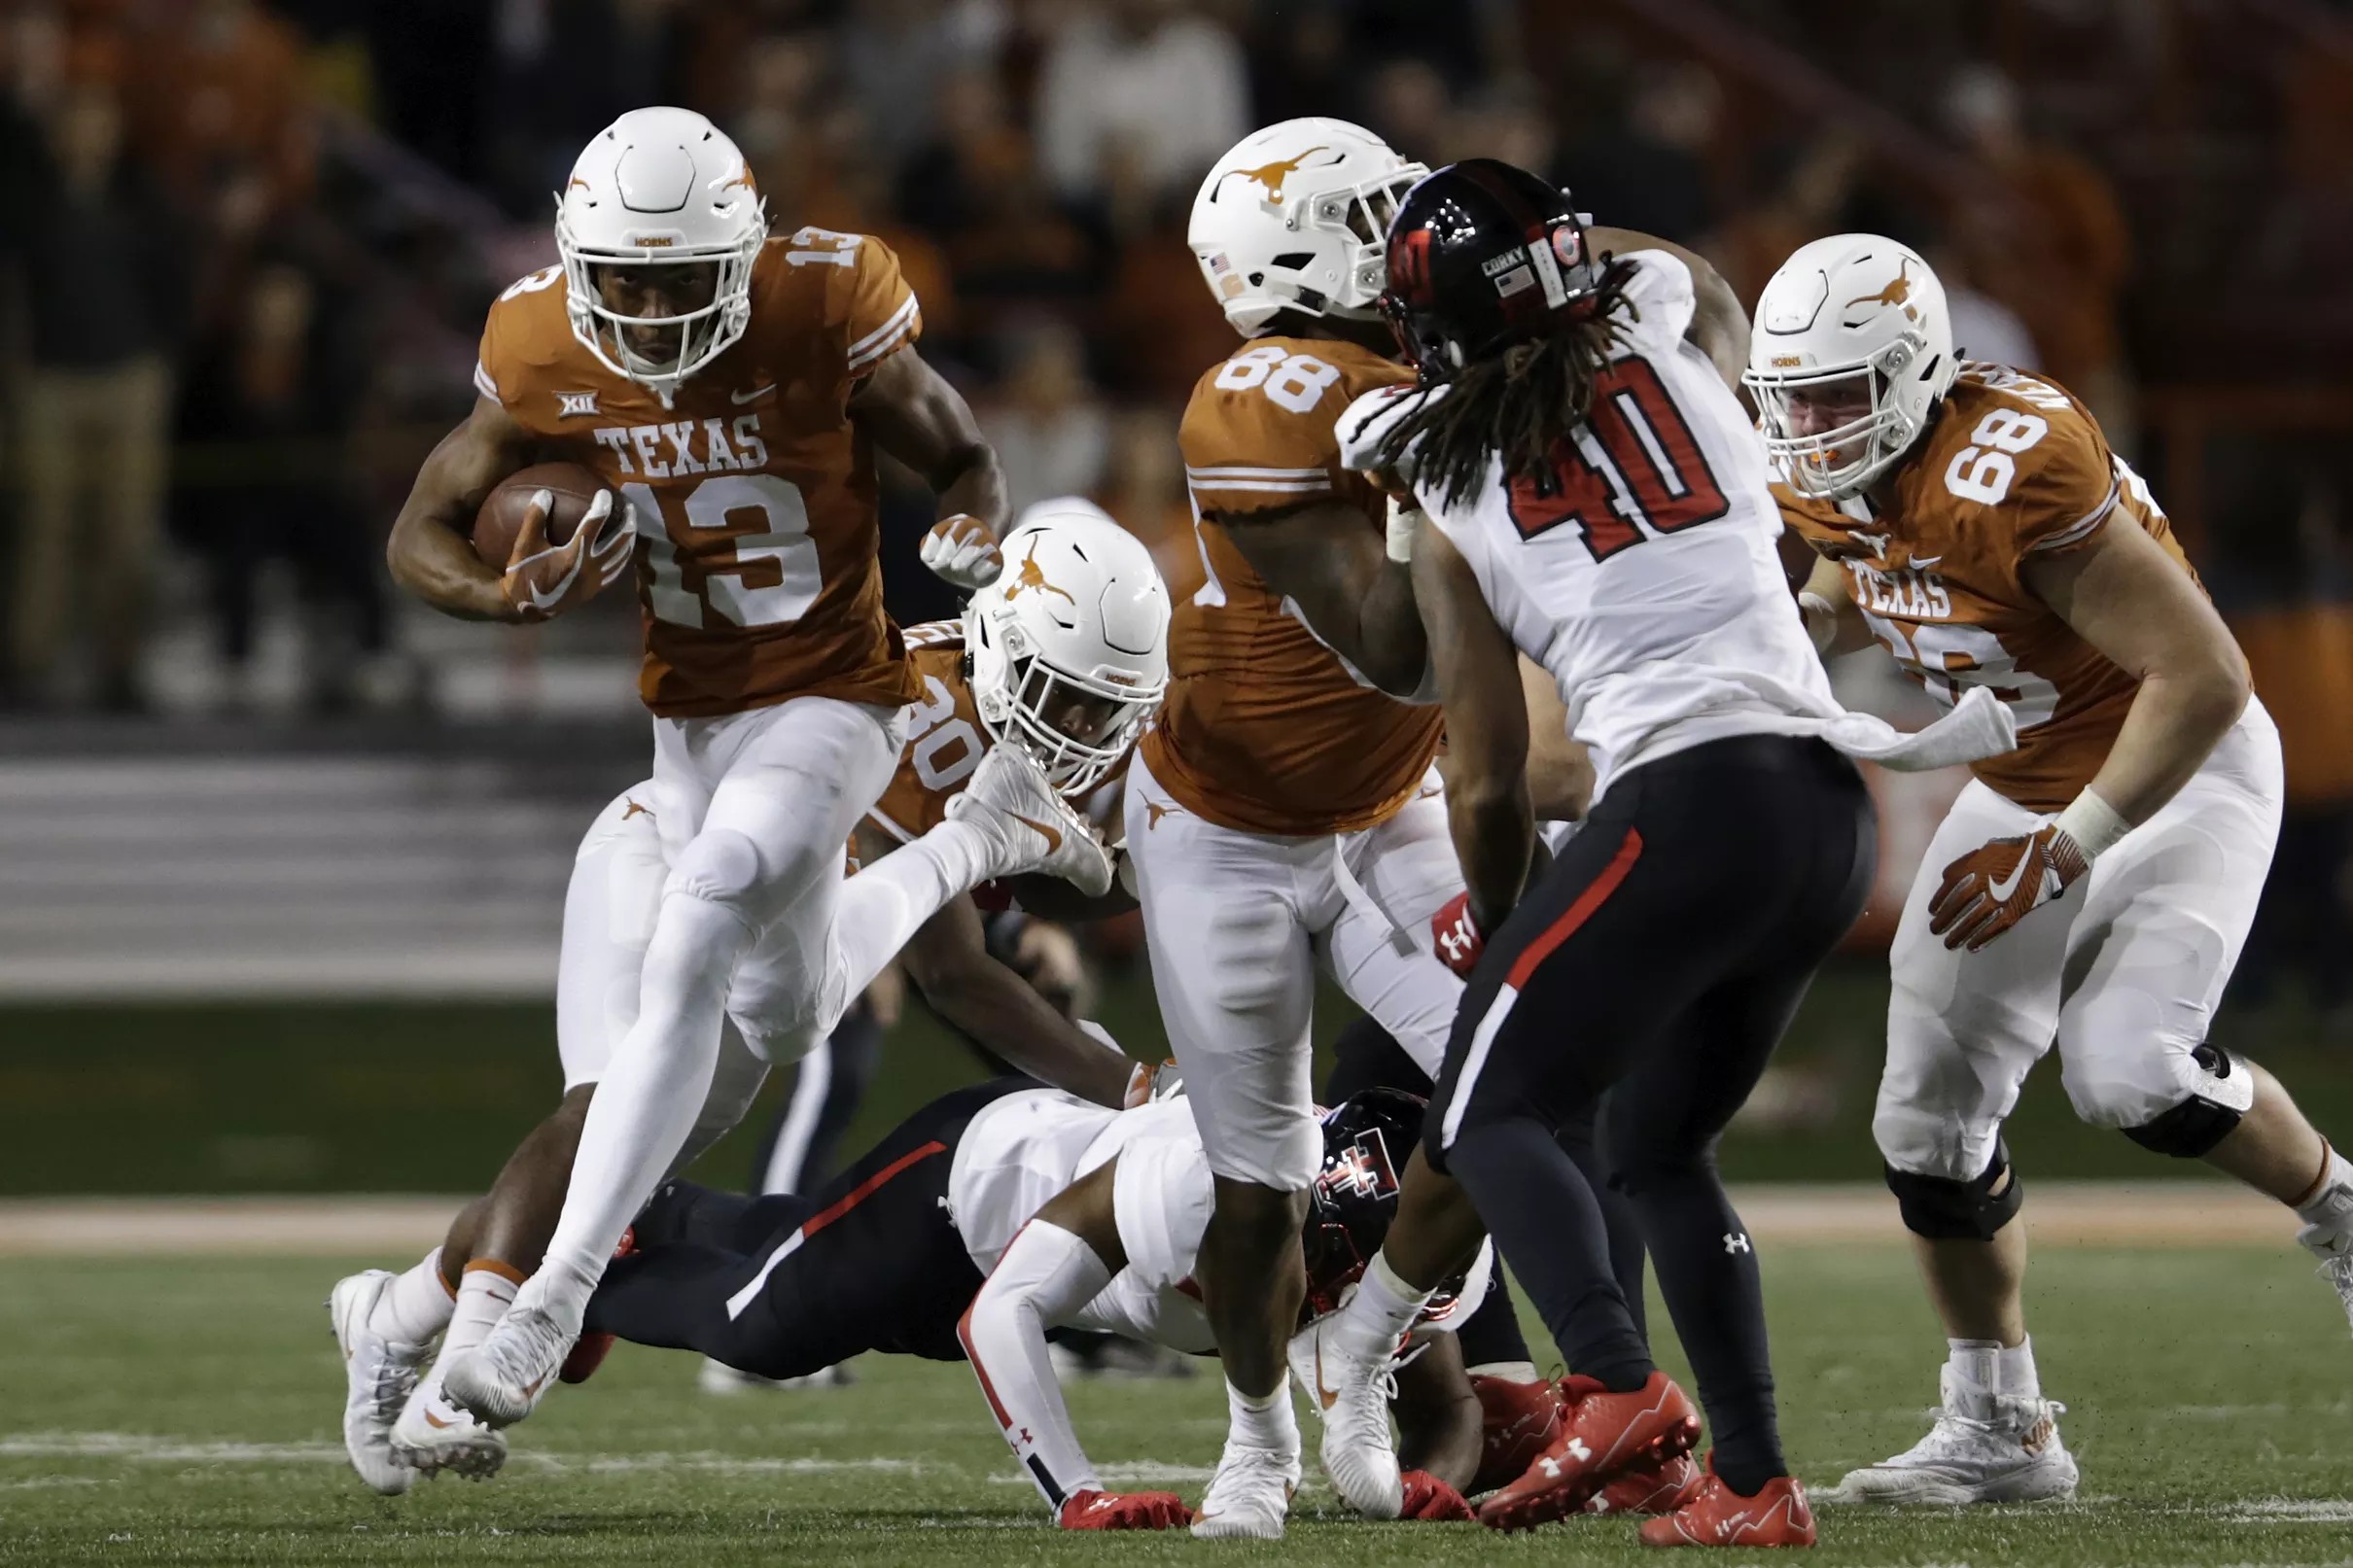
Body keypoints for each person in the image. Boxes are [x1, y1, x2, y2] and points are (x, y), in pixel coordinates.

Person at [1341, 161, 2013, 1547]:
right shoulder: (1659, 310)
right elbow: (1676, 264)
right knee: (1655, 1145)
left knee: (1485, 1109)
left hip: (1685, 801)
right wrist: (1542, 243)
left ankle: (1615, 1380)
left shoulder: (1434, 463)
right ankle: (1759, 1485)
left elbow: (1479, 777)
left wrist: (1508, 930)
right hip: (1827, 806)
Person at [381, 105, 1057, 1432]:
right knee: (653, 1092)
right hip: (686, 728)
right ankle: (400, 1309)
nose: (641, 302)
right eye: (619, 275)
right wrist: (508, 597)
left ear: (741, 257)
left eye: (677, 276)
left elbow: (963, 448)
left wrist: (977, 519)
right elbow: (423, 527)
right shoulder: (534, 338)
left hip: (831, 696)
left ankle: (554, 1299)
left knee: (706, 905)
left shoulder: (823, 298)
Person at [333, 505, 1169, 1490]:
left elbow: (992, 935)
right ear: (999, 643)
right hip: (673, 857)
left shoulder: (1002, 717)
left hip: (786, 935)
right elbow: (954, 962)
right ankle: (464, 1361)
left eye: (1094, 707)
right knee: (604, 1107)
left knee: (624, 1162)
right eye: (1052, 691)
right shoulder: (908, 703)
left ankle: (392, 1315)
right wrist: (1128, 1072)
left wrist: (1132, 1061)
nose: (1071, 726)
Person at [1156, 118, 1703, 1539]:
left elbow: (1682, 274)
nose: (1415, 239)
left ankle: (1464, 1357)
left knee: (1535, 1060)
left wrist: (1542, 261)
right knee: (1257, 1181)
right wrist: (1428, 477)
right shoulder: (1259, 398)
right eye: (1389, 216)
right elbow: (1397, 649)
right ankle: (1254, 1440)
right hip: (1229, 825)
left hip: (1383, 804)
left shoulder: (1418, 358)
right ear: (1308, 250)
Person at [1751, 235, 2353, 1505]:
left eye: (1836, 400)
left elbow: (2205, 674)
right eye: (1789, 400)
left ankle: (2343, 1213)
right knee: (1923, 1122)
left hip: (2175, 768)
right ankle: (2001, 1427)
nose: (1808, 431)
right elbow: (1855, 559)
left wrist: (2071, 843)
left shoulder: (2012, 460)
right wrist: (1805, 629)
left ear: (1916, 375)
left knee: (2130, 1071)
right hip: (2023, 777)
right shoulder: (1825, 467)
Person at [580, 1084, 1495, 1530]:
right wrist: (1077, 1494)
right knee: (768, 1328)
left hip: (1038, 1277)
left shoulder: (1401, 1253)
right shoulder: (1194, 1188)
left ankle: (663, 1205)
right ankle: (574, 1288)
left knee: (791, 1240)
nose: (1347, 1296)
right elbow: (1000, 1310)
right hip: (958, 1199)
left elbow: (1448, 1408)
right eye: (1335, 1258)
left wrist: (1428, 1486)